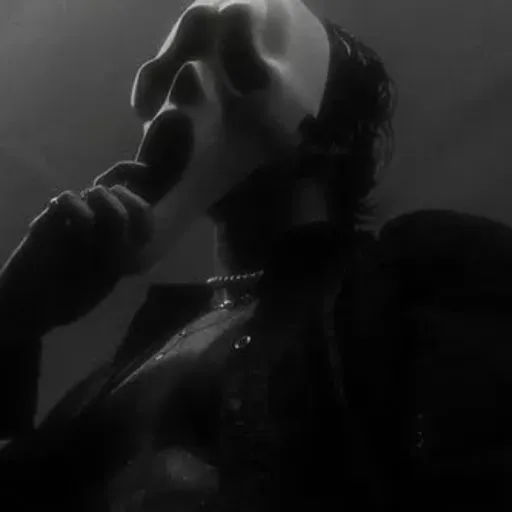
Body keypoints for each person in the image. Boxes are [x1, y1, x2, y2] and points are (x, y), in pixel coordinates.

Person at [1, 0, 512, 510]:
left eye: (238, 52)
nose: (183, 83)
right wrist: (14, 320)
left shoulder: (411, 278)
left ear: (331, 136)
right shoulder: (118, 369)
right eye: (167, 70)